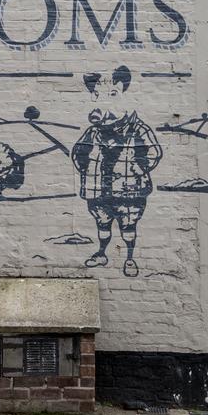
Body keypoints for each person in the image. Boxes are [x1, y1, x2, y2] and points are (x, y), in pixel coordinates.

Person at [72, 66, 162, 277]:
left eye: (112, 94)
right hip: (98, 191)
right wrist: (88, 171)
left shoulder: (138, 129)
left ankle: (129, 258)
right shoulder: (93, 132)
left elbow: (153, 152)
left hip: (129, 192)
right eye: (97, 96)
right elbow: (79, 153)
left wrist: (136, 168)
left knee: (128, 226)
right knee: (102, 223)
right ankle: (102, 252)